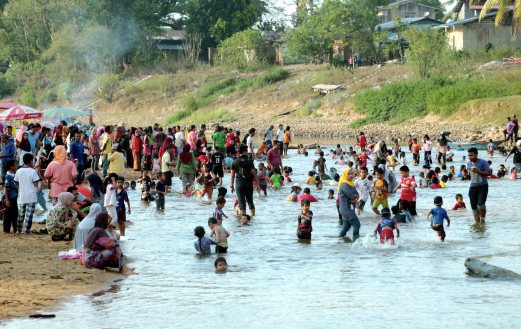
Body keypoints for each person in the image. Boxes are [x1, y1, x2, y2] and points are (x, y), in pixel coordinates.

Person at [230, 145, 260, 224]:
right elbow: (254, 173)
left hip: (239, 184)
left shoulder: (234, 161)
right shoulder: (250, 160)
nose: (247, 152)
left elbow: (232, 175)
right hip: (248, 184)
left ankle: (243, 220)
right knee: (250, 201)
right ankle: (252, 218)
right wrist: (258, 184)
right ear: (244, 151)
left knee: (241, 202)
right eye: (247, 150)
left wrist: (231, 186)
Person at [14, 153, 41, 234]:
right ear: (30, 161)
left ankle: (19, 230)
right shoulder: (33, 171)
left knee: (21, 214)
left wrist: (20, 189)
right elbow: (36, 183)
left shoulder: (18, 171)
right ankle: (27, 230)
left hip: (21, 196)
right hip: (31, 196)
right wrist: (37, 188)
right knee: (29, 215)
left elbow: (16, 183)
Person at [467, 148, 491, 225]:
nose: (470, 157)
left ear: (476, 154)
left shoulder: (483, 162)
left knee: (481, 204)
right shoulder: (468, 163)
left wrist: (479, 171)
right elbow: (469, 174)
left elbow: (489, 173)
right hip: (473, 186)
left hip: (483, 186)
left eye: (471, 155)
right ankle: (477, 223)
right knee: (473, 206)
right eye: (469, 155)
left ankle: (482, 220)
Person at [338, 168, 360, 241]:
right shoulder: (344, 184)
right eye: (349, 174)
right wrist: (354, 197)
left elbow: (357, 194)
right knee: (357, 225)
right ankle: (356, 242)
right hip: (346, 209)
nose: (351, 175)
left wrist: (355, 197)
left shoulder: (351, 183)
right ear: (345, 175)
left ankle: (339, 240)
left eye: (352, 174)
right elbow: (352, 195)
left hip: (347, 209)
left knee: (346, 227)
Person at [3, 160, 18, 233]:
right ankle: (7, 229)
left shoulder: (14, 174)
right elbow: (6, 188)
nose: (16, 166)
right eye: (15, 165)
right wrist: (7, 199)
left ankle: (15, 228)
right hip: (10, 197)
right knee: (9, 214)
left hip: (15, 197)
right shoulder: (8, 176)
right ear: (11, 167)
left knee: (15, 213)